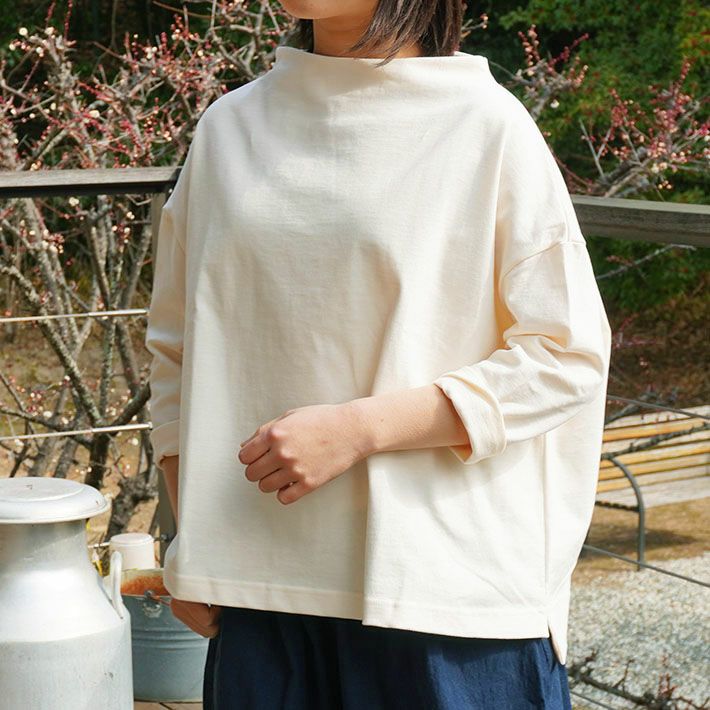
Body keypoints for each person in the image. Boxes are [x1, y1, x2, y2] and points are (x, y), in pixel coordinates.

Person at [145, 1, 612, 707]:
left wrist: (359, 429)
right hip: (258, 592)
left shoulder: (485, 124)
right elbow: (175, 349)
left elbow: (566, 354)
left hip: (445, 601)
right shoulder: (229, 127)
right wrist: (193, 540)